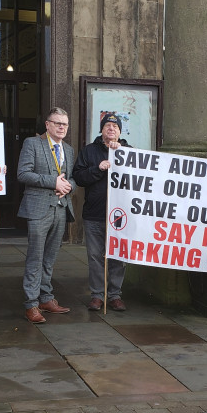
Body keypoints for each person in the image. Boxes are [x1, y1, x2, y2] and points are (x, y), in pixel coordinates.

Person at [17, 108, 77, 323]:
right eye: (57, 123)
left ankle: (46, 297)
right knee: (35, 257)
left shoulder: (68, 150)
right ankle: (31, 304)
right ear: (47, 125)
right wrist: (53, 182)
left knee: (50, 258)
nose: (62, 127)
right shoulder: (32, 144)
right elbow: (23, 173)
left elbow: (73, 178)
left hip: (60, 209)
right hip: (38, 209)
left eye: (65, 124)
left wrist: (68, 186)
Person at [73, 113, 129, 312]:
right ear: (102, 130)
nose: (111, 129)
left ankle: (114, 295)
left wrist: (122, 154)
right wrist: (97, 169)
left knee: (117, 256)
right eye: (108, 126)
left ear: (120, 132)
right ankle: (97, 295)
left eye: (115, 126)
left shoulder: (129, 152)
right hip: (94, 214)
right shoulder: (89, 151)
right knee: (95, 256)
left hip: (120, 217)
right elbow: (78, 177)